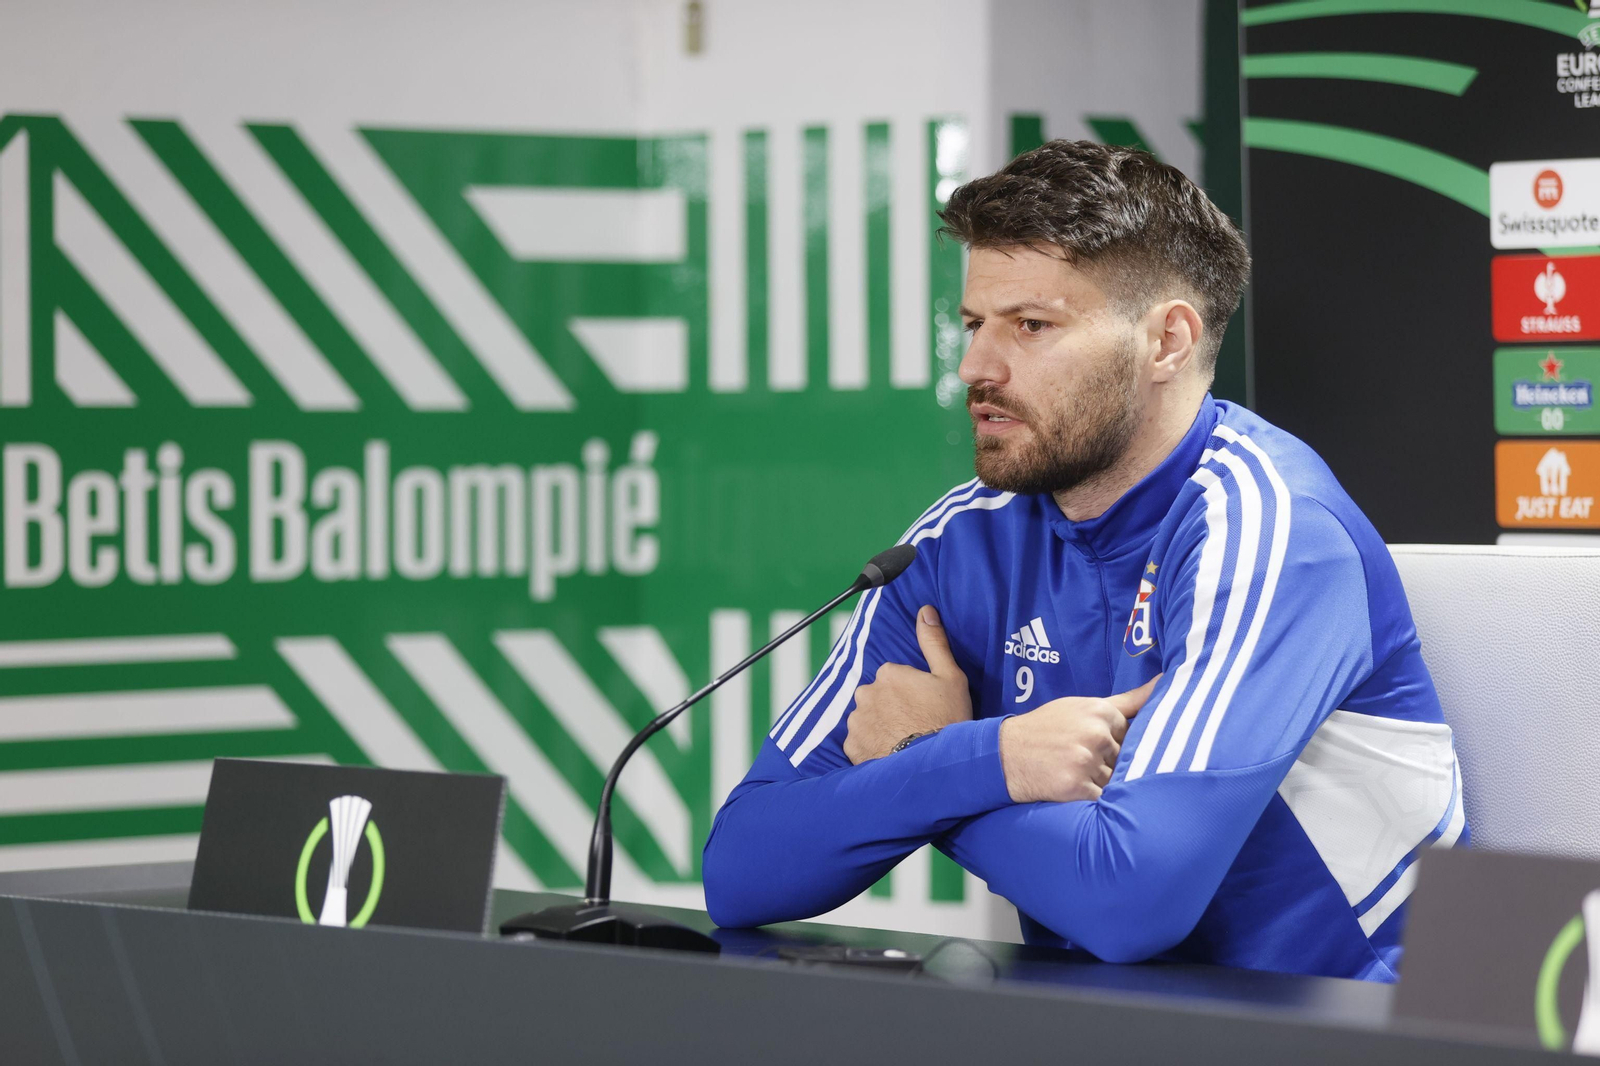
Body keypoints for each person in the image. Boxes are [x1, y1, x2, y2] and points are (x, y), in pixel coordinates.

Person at [701, 140, 1466, 982]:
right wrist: (984, 760)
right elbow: (740, 869)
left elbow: (1130, 900)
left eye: (1031, 326)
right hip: (1105, 1023)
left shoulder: (1271, 530)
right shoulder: (957, 543)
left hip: (1357, 1027)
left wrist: (933, 751)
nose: (975, 368)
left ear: (1166, 341)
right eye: (972, 325)